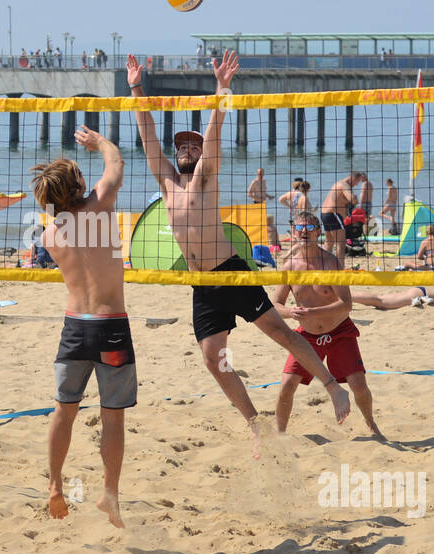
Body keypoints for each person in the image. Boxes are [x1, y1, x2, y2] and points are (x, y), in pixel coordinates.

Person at [129, 51, 350, 453]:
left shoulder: (204, 179)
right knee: (215, 358)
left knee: (281, 333)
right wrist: (136, 87)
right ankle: (254, 422)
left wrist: (222, 89)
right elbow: (146, 137)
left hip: (231, 270)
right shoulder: (167, 184)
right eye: (181, 146)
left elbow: (213, 136)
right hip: (203, 283)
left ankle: (333, 387)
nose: (186, 149)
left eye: (192, 147)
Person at [31, 125, 131, 528]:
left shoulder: (49, 235)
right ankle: (110, 494)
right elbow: (117, 164)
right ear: (80, 184)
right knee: (113, 417)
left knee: (64, 411)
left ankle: (55, 484)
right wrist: (99, 143)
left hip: (75, 327)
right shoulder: (101, 207)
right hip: (111, 326)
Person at [272, 213, 381, 438]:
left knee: (359, 386)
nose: (304, 232)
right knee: (286, 386)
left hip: (339, 332)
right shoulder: (289, 266)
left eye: (310, 227)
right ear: (292, 232)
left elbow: (346, 304)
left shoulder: (331, 263)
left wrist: (313, 312)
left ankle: (371, 426)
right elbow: (275, 304)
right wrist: (290, 312)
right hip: (306, 336)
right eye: (300, 228)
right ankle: (280, 434)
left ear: (318, 232)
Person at [320, 172, 366, 261]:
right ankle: (339, 267)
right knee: (341, 243)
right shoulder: (344, 185)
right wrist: (353, 203)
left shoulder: (337, 184)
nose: (356, 185)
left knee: (329, 242)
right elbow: (352, 198)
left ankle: (324, 265)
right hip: (333, 214)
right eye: (357, 182)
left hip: (324, 213)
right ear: (353, 178)